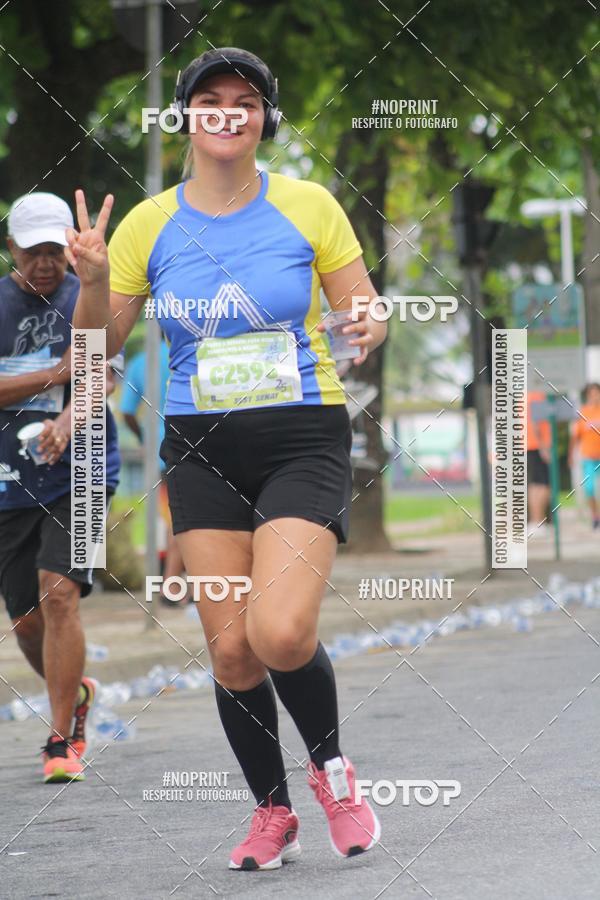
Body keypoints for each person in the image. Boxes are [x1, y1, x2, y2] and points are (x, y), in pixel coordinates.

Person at [69, 47, 387, 871]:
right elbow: (99, 346)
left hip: (302, 435)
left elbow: (362, 306)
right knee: (232, 650)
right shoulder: (147, 224)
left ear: (264, 119)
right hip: (200, 451)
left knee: (279, 632)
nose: (226, 112)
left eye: (244, 101)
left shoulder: (309, 205)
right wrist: (95, 282)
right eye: (209, 98)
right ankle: (272, 813)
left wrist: (370, 322)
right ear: (185, 117)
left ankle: (333, 774)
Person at [0, 192, 121, 783]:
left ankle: (61, 736)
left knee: (59, 593)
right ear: (11, 249)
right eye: (33, 252)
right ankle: (73, 692)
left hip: (85, 468)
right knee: (26, 621)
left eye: (55, 250)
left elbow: (104, 373)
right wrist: (55, 372)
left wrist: (70, 419)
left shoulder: (87, 294)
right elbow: (72, 367)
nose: (46, 263)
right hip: (8, 481)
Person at [120, 341, 185, 601]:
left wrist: (143, 437)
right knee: (185, 517)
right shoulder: (190, 348)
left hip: (159, 449)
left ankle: (173, 583)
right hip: (195, 444)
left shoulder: (141, 361)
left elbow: (126, 410)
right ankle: (172, 583)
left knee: (175, 517)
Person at [569, 383, 600, 529]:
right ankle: (595, 516)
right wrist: (570, 455)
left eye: (597, 393)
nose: (595, 396)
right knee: (589, 488)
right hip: (588, 457)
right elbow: (575, 436)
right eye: (591, 394)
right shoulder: (583, 413)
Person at [526, 390, 551, 527]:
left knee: (535, 484)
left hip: (530, 445)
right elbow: (536, 422)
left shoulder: (526, 395)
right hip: (537, 446)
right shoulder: (537, 395)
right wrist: (543, 447)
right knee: (543, 485)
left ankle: (536, 521)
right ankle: (538, 521)